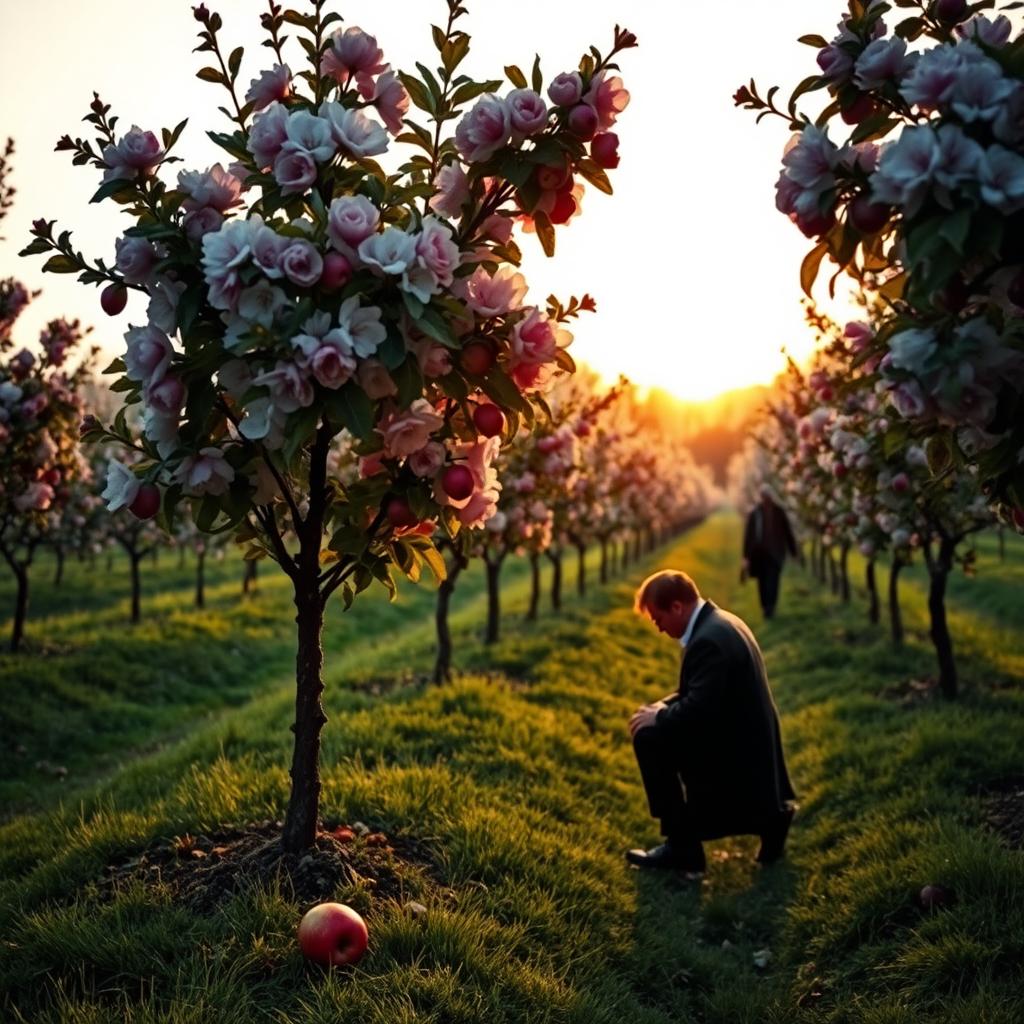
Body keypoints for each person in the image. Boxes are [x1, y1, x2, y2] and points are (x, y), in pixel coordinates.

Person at [626, 569, 795, 875]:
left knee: (648, 737)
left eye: (657, 618)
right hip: (745, 734)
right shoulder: (720, 622)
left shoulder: (707, 641)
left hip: (736, 745)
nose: (659, 628)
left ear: (677, 607)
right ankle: (772, 818)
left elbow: (697, 710)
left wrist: (660, 716)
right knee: (652, 722)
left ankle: (682, 848)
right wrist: (661, 707)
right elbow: (699, 692)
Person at [741, 485, 799, 620]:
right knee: (762, 582)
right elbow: (748, 536)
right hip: (759, 555)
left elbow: (787, 532)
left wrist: (793, 551)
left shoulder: (779, 512)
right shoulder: (755, 513)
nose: (766, 499)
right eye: (763, 496)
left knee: (773, 581)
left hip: (775, 553)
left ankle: (771, 606)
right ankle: (765, 606)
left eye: (767, 496)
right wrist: (746, 556)